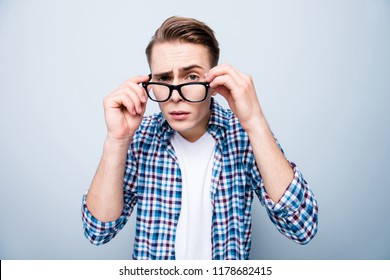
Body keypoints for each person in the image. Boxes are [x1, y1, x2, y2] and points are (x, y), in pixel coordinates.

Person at [81, 16, 318, 260]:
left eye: (192, 77)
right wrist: (117, 140)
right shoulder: (139, 138)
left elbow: (302, 227)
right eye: (163, 79)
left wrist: (255, 122)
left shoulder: (244, 136)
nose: (175, 96)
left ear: (214, 83)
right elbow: (97, 231)